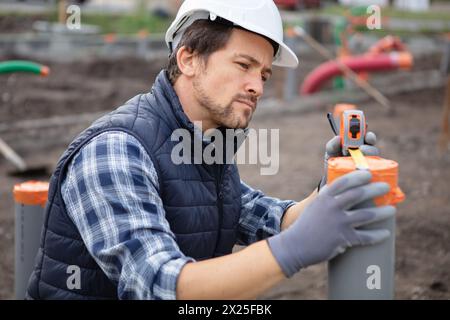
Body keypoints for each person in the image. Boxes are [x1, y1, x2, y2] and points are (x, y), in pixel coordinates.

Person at [26, 0, 395, 300]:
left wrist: (331, 185)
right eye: (243, 65)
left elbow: (269, 219)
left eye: (264, 74)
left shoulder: (202, 143)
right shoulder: (115, 150)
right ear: (188, 59)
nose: (257, 87)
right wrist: (292, 251)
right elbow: (161, 285)